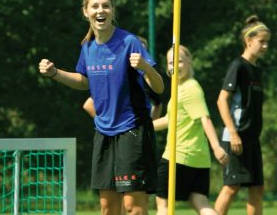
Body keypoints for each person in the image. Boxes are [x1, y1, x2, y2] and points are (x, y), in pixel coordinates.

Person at [39, 0, 164, 215]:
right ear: (85, 12)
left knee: (133, 207)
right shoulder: (87, 47)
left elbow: (159, 86)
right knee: (107, 207)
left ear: (112, 10)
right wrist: (55, 73)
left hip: (132, 130)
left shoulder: (129, 42)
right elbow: (84, 80)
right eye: (95, 6)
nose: (101, 10)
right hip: (104, 133)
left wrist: (146, 67)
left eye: (105, 5)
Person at [153, 45, 228, 215]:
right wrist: (142, 127)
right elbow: (169, 120)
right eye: (171, 63)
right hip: (198, 159)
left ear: (189, 62)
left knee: (163, 204)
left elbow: (204, 118)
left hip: (179, 156)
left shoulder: (190, 88)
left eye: (179, 61)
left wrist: (216, 147)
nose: (175, 66)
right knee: (199, 201)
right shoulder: (180, 88)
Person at [214, 15, 270, 215]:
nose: (265, 46)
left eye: (267, 42)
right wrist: (233, 132)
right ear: (249, 41)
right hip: (236, 137)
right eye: (261, 41)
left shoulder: (257, 71)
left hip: (252, 139)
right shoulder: (238, 66)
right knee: (232, 187)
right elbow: (222, 100)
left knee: (257, 189)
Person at [82, 36, 163, 120]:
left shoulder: (147, 80)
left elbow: (158, 103)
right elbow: (89, 105)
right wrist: (107, 125)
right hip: (119, 130)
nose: (139, 58)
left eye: (143, 54)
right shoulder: (116, 78)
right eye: (136, 52)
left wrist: (152, 125)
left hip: (139, 129)